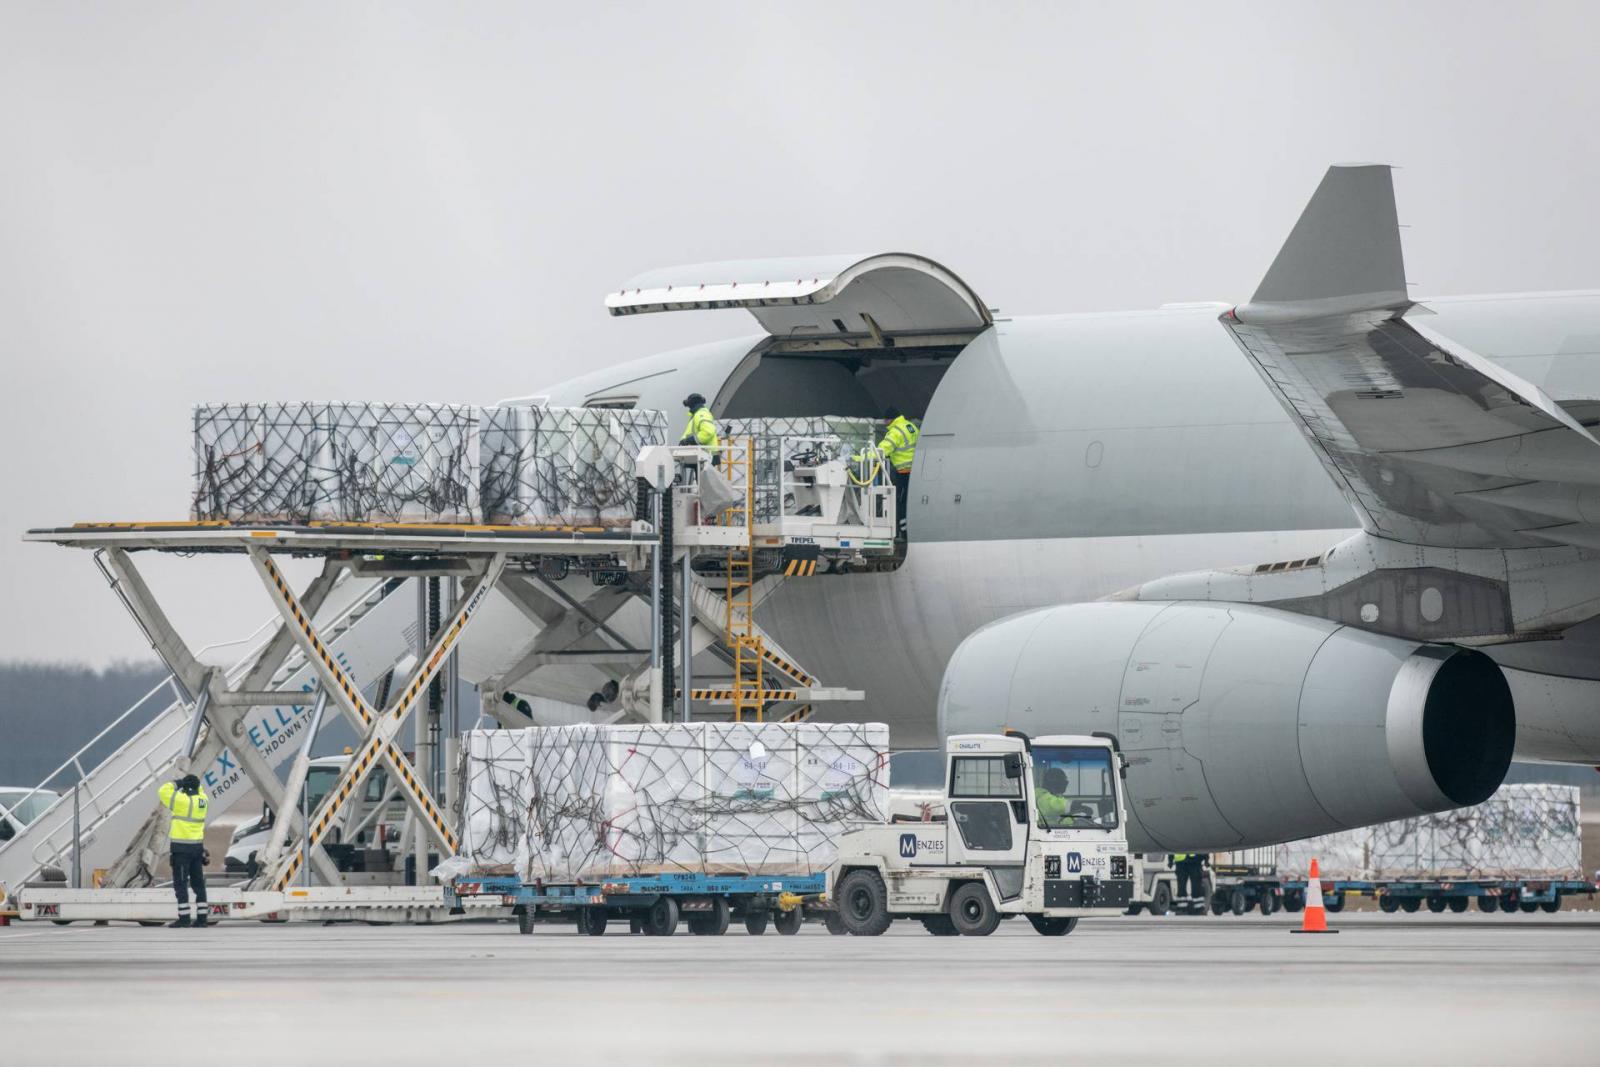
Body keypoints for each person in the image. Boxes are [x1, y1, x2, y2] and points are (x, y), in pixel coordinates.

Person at [158, 773, 210, 928]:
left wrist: (178, 783)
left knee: (181, 884)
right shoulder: (203, 800)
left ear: (186, 788)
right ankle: (202, 919)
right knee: (198, 884)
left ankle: (184, 918)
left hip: (181, 850)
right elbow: (199, 788)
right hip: (197, 848)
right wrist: (191, 784)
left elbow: (163, 791)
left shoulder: (182, 802)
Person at [875, 407, 919, 539]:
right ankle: (907, 530)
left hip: (904, 473)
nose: (884, 423)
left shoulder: (895, 432)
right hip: (916, 472)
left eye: (885, 420)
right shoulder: (911, 426)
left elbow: (881, 451)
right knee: (909, 502)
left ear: (890, 419)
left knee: (900, 502)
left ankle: (904, 533)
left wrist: (860, 457)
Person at [679, 393, 720, 464]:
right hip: (701, 455)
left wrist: (690, 440)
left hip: (706, 456)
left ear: (692, 404)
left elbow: (708, 432)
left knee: (703, 475)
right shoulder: (697, 415)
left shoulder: (701, 414)